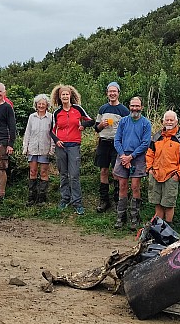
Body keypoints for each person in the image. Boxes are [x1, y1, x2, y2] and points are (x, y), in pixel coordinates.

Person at [50, 84, 94, 215]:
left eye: (66, 94)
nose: (64, 96)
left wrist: (83, 125)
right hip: (61, 146)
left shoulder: (78, 109)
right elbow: (51, 131)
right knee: (63, 174)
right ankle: (65, 199)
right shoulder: (57, 112)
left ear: (71, 96)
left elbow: (91, 121)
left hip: (74, 145)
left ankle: (77, 203)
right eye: (62, 94)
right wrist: (57, 140)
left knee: (74, 175)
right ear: (59, 96)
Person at [113, 96, 152, 229]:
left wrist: (131, 157)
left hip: (138, 158)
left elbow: (145, 143)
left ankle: (134, 218)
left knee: (135, 186)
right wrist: (124, 156)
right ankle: (120, 216)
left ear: (142, 107)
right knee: (122, 186)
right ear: (129, 106)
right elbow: (117, 140)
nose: (135, 108)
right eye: (132, 105)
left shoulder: (146, 123)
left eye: (137, 106)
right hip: (123, 156)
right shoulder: (123, 121)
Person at [146, 110, 180, 224]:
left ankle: (168, 228)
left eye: (171, 120)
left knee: (169, 204)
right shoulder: (157, 136)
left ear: (176, 121)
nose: (169, 122)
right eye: (167, 120)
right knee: (157, 202)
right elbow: (150, 154)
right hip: (156, 174)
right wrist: (149, 169)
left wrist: (178, 175)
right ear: (163, 121)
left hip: (171, 176)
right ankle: (159, 227)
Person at [93, 82, 130, 212]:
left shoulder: (124, 110)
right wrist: (101, 125)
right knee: (103, 171)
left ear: (118, 93)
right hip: (103, 142)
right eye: (110, 91)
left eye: (115, 91)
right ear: (107, 93)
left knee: (116, 173)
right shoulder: (102, 109)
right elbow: (96, 128)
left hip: (117, 144)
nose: (112, 94)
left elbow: (128, 130)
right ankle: (104, 201)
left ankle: (117, 200)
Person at [22, 93, 55, 204]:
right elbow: (28, 133)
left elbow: (52, 134)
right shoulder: (32, 117)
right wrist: (25, 147)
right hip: (32, 148)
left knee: (44, 172)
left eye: (43, 104)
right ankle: (32, 197)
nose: (41, 106)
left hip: (45, 149)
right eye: (39, 104)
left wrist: (52, 149)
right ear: (36, 105)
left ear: (47, 105)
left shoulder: (51, 117)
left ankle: (42, 198)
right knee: (33, 171)